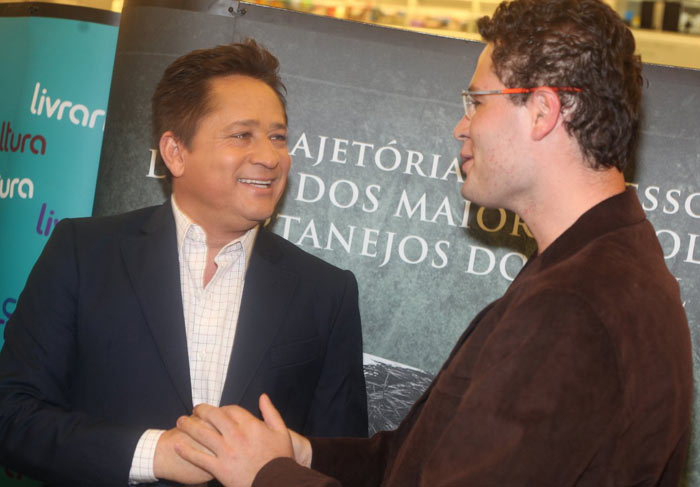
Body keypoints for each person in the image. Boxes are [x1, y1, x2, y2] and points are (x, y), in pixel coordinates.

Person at [171, 1, 693, 486]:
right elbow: (415, 461)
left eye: (476, 102)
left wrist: (267, 474)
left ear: (542, 111)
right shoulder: (594, 270)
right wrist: (301, 454)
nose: (461, 127)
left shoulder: (576, 305)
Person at [0, 40, 367, 486]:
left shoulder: (325, 292)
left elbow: (343, 460)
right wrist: (154, 454)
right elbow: (12, 414)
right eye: (242, 135)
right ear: (175, 152)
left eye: (278, 137)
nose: (271, 157)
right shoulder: (84, 253)